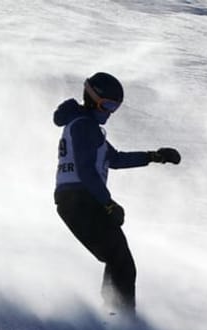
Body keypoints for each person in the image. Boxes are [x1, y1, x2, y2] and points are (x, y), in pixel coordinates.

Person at [53, 72, 181, 314]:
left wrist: (154, 156)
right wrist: (107, 204)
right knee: (120, 260)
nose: (110, 112)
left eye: (115, 108)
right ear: (92, 99)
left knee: (118, 258)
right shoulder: (84, 126)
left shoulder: (85, 125)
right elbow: (86, 171)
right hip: (80, 200)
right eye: (108, 105)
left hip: (79, 200)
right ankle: (118, 317)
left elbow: (115, 159)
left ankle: (114, 312)